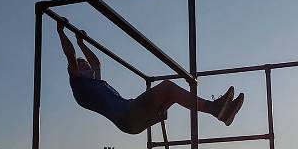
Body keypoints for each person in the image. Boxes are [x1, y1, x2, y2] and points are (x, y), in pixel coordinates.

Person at [57, 20, 244, 134]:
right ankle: (215, 108)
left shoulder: (95, 82)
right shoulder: (80, 84)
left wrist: (81, 42)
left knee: (172, 95)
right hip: (128, 114)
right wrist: (61, 31)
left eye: (85, 63)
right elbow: (70, 56)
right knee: (168, 87)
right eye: (82, 64)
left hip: (133, 119)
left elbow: (96, 63)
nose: (86, 64)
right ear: (74, 71)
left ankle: (221, 112)